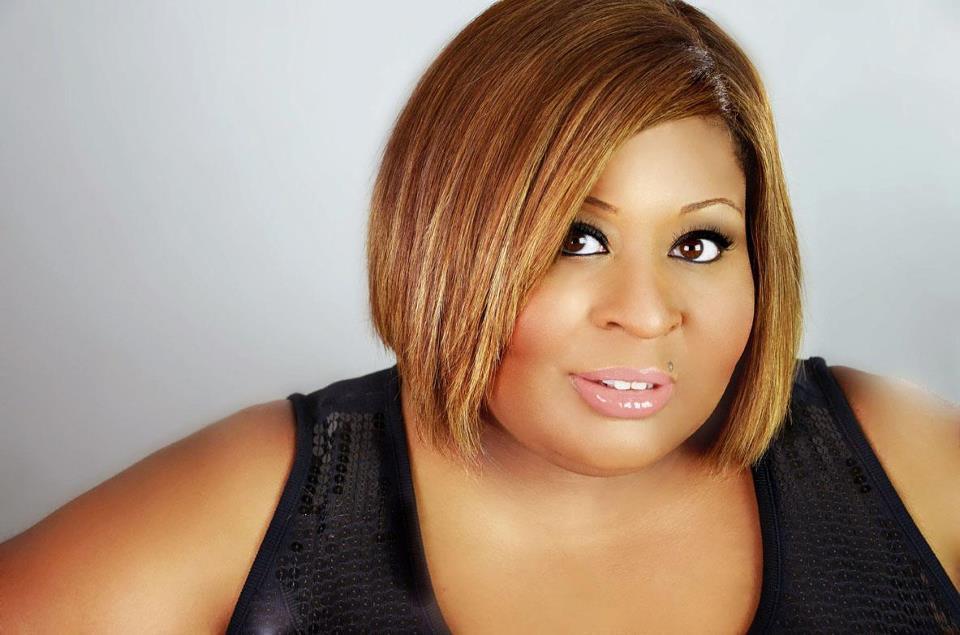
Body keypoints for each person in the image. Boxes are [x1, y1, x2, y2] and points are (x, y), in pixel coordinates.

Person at [2, 0, 958, 632]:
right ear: (448, 241)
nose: (644, 313)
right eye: (578, 237)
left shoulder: (897, 459)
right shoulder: (271, 498)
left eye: (700, 243)